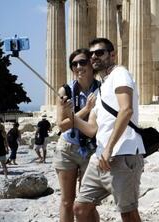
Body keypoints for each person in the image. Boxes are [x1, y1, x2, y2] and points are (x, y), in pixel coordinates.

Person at [62, 38, 145, 222]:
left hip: (123, 154)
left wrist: (109, 149)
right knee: (80, 208)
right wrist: (72, 115)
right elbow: (91, 129)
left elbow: (126, 110)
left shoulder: (120, 74)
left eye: (99, 52)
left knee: (128, 213)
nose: (94, 57)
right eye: (91, 54)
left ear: (112, 55)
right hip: (99, 158)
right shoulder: (101, 89)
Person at [54, 48, 100, 222]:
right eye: (74, 64)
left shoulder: (101, 89)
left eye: (83, 62)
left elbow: (93, 127)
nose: (78, 67)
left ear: (91, 64)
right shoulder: (64, 90)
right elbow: (61, 125)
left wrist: (73, 116)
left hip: (92, 149)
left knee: (88, 203)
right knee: (67, 202)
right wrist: (86, 110)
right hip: (67, 148)